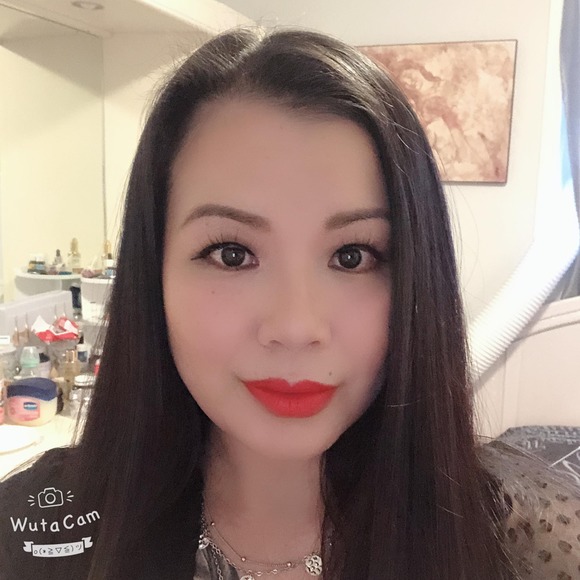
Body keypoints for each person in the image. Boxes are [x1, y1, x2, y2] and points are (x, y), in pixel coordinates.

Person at [0, 26, 579, 580]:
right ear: (155, 274)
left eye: (352, 256)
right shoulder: (35, 534)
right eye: (232, 254)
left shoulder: (531, 542)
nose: (296, 327)